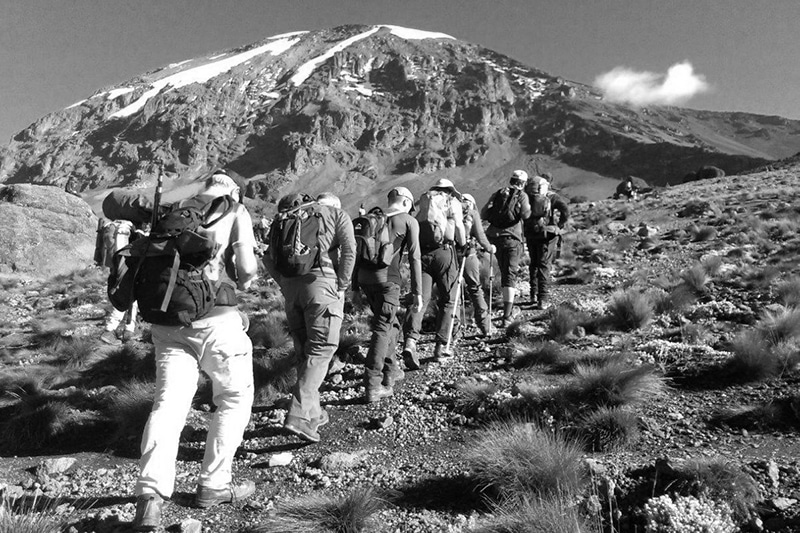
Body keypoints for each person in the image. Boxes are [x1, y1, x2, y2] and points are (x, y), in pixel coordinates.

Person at [133, 171, 258, 531]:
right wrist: (242, 281)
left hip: (167, 323)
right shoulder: (234, 210)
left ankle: (150, 499)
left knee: (168, 404)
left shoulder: (174, 208)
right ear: (234, 188)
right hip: (217, 320)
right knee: (233, 397)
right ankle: (214, 485)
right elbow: (247, 269)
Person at [263, 192, 355, 443]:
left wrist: (284, 285)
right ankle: (299, 415)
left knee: (305, 350)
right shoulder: (336, 214)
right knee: (323, 348)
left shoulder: (282, 221)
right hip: (322, 282)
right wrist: (343, 285)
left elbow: (267, 257)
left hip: (292, 290)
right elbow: (349, 249)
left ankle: (314, 412)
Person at [355, 187, 423, 402]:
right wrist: (418, 292)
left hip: (366, 280)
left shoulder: (372, 219)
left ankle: (392, 370)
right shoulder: (408, 220)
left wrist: (354, 288)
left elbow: (357, 254)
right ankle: (373, 384)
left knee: (389, 322)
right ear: (405, 202)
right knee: (383, 328)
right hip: (388, 280)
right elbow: (415, 258)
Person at [401, 178, 466, 364]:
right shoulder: (451, 201)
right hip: (445, 253)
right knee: (448, 299)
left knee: (420, 297)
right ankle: (440, 346)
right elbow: (459, 228)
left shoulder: (423, 201)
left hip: (422, 253)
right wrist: (463, 245)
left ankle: (410, 342)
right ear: (449, 190)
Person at [482, 170, 531, 328]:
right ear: (523, 183)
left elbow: (484, 213)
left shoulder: (498, 193)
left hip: (493, 238)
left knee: (503, 271)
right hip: (512, 239)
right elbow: (525, 214)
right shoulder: (522, 195)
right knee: (510, 275)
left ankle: (488, 311)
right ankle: (507, 315)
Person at [524, 175, 569, 310]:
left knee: (534, 263)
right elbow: (565, 210)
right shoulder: (552, 197)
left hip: (530, 233)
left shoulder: (527, 196)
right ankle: (543, 299)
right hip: (546, 235)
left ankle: (533, 293)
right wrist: (559, 225)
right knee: (544, 265)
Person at [460, 193, 496, 337]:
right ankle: (485, 326)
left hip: (451, 255)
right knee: (475, 289)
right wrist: (489, 248)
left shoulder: (449, 210)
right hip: (469, 255)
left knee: (452, 293)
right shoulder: (472, 213)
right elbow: (481, 236)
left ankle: (453, 331)